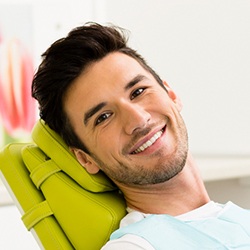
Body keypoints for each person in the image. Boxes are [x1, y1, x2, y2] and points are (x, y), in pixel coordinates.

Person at [31, 22, 250, 249]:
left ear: (171, 94)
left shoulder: (238, 219)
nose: (138, 119)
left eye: (138, 91)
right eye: (104, 117)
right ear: (85, 158)